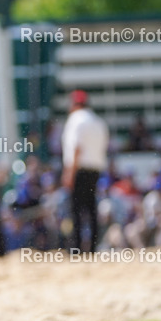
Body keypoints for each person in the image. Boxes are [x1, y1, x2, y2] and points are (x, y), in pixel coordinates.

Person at [61, 90, 109, 252]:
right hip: (95, 169)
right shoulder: (98, 121)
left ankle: (76, 248)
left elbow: (76, 148)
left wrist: (69, 173)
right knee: (91, 208)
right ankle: (93, 248)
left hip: (79, 169)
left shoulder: (76, 120)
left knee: (76, 210)